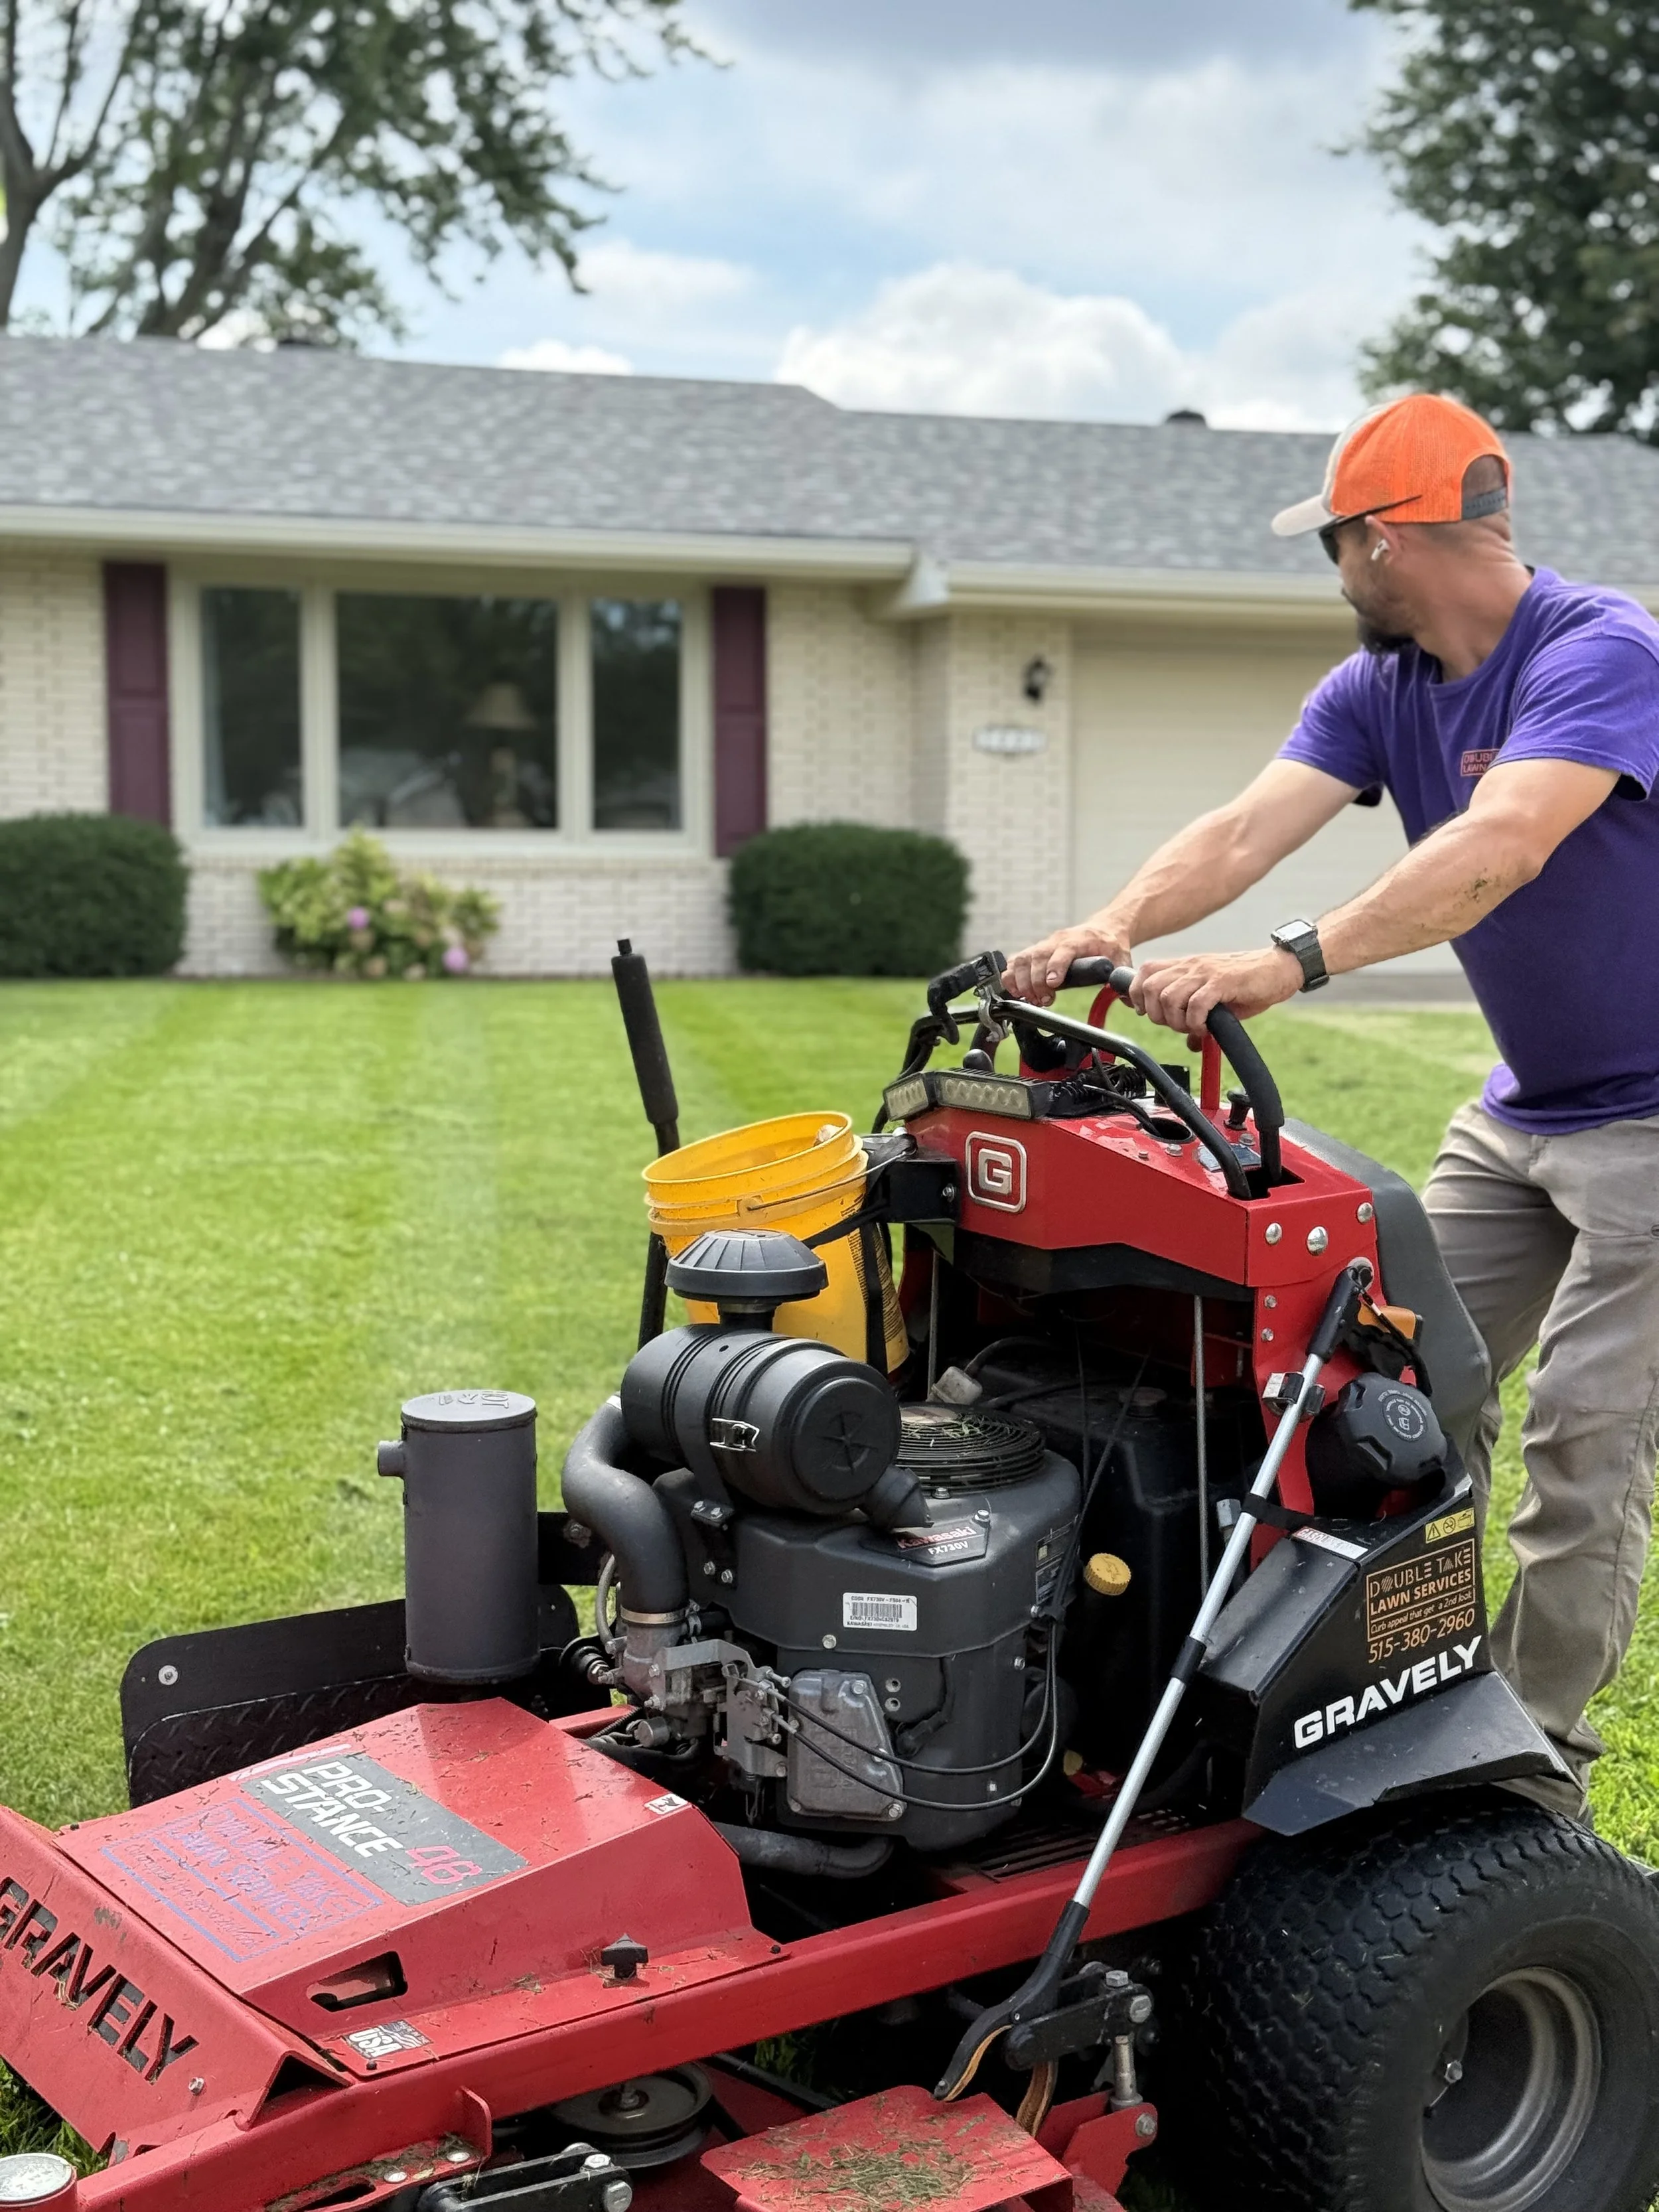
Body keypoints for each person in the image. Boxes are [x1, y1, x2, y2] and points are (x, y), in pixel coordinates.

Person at [1004, 392, 1659, 1819]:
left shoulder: (1600, 649)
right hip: (1524, 1108)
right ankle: (1401, 1693)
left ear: (1383, 539)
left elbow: (1500, 844)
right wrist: (1107, 925)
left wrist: (1282, 962)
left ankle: (1527, 1767)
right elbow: (1244, 827)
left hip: (1650, 1127)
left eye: (1333, 545)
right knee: (1388, 1387)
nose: (1333, 572)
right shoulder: (1379, 684)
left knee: (1579, 1441)